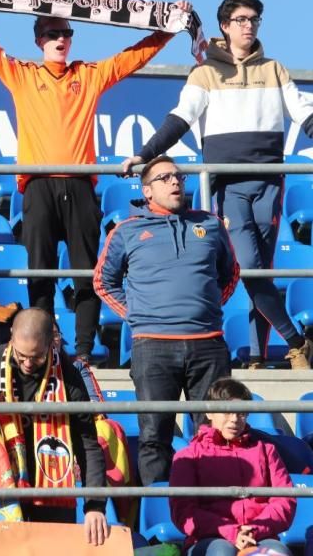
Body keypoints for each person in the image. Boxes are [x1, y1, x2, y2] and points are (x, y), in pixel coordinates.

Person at [0, 0, 192, 361]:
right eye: (51, 33)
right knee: (41, 273)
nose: (59, 39)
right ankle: (44, 348)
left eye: (65, 32)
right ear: (38, 41)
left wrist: (168, 29)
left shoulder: (89, 74)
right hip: (38, 186)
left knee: (86, 273)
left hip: (80, 186)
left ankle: (82, 349)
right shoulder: (23, 74)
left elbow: (133, 56)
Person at [122, 0, 313, 370]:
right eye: (241, 20)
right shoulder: (206, 72)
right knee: (249, 265)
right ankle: (297, 342)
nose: (249, 26)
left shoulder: (275, 69)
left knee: (265, 269)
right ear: (224, 26)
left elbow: (304, 112)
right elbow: (180, 119)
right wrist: (145, 154)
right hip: (227, 184)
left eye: (254, 19)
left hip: (269, 181)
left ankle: (259, 356)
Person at [94, 155, 239, 486]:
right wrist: (138, 317)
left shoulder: (211, 224)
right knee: (154, 436)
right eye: (165, 178)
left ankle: (214, 517)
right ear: (147, 190)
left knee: (215, 434)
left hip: (209, 346)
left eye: (179, 176)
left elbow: (230, 273)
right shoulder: (126, 231)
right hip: (153, 349)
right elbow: (103, 282)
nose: (176, 182)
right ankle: (159, 516)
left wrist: (207, 309)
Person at [0, 307, 108, 546]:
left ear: (52, 344)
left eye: (36, 357)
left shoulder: (69, 376)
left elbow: (87, 443)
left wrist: (95, 506)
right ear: (11, 338)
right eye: (21, 355)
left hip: (50, 487)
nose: (27, 363)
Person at [169, 378, 295, 556]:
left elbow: (284, 500)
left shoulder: (267, 451)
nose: (235, 419)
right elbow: (183, 510)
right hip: (209, 537)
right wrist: (232, 532)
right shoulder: (188, 456)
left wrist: (253, 530)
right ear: (209, 411)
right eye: (227, 412)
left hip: (260, 535)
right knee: (221, 553)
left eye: (242, 413)